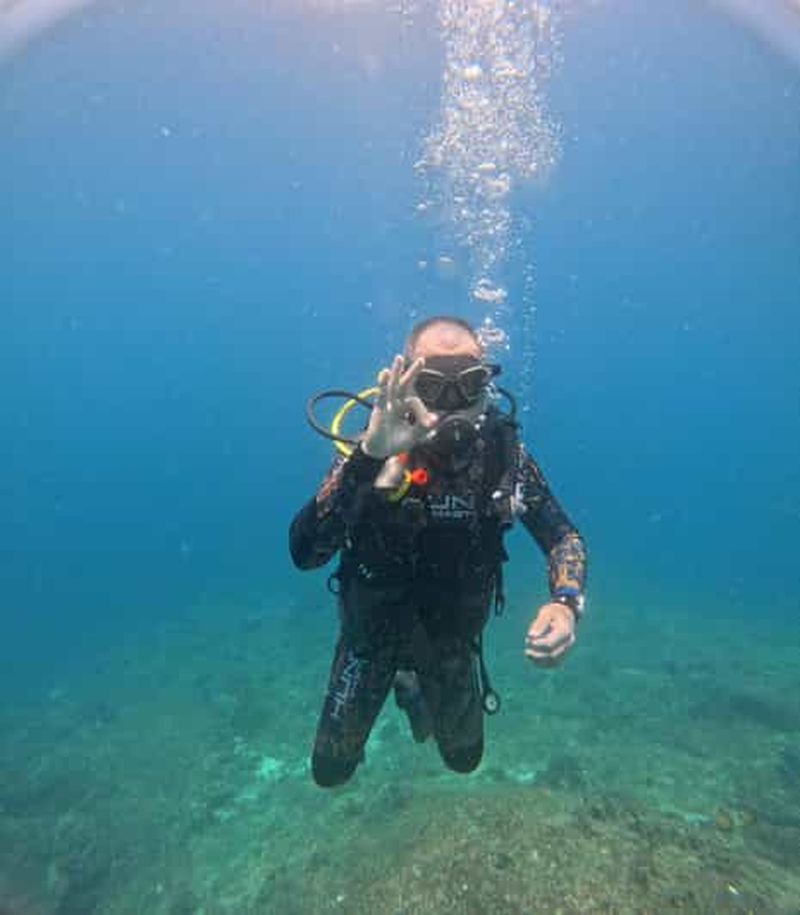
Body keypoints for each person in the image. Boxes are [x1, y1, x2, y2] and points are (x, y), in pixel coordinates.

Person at [290, 316, 587, 788]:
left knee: (464, 760)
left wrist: (566, 603)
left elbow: (562, 536)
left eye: (467, 385)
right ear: (405, 382)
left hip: (451, 641)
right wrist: (368, 459)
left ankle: (414, 690)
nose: (449, 407)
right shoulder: (370, 448)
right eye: (431, 386)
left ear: (487, 387)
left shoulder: (501, 456)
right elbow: (305, 552)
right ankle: (406, 683)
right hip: (369, 640)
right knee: (330, 773)